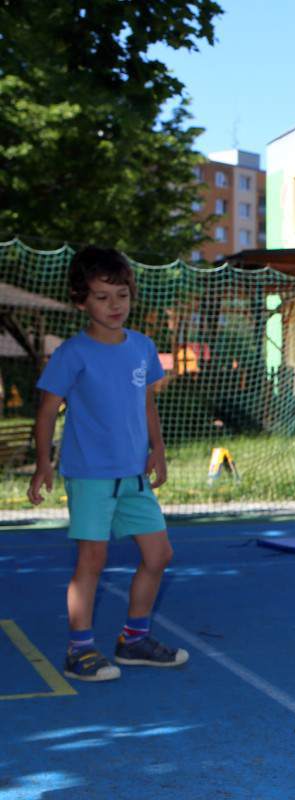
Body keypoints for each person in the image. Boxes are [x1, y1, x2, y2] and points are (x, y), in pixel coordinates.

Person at [27, 246, 187, 682]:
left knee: (159, 555)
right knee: (91, 561)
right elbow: (46, 412)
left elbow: (147, 403)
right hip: (91, 476)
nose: (114, 305)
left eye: (121, 295)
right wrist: (43, 464)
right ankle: (79, 650)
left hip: (134, 476)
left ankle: (133, 639)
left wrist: (158, 449)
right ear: (82, 301)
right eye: (101, 296)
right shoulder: (72, 354)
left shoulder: (142, 347)